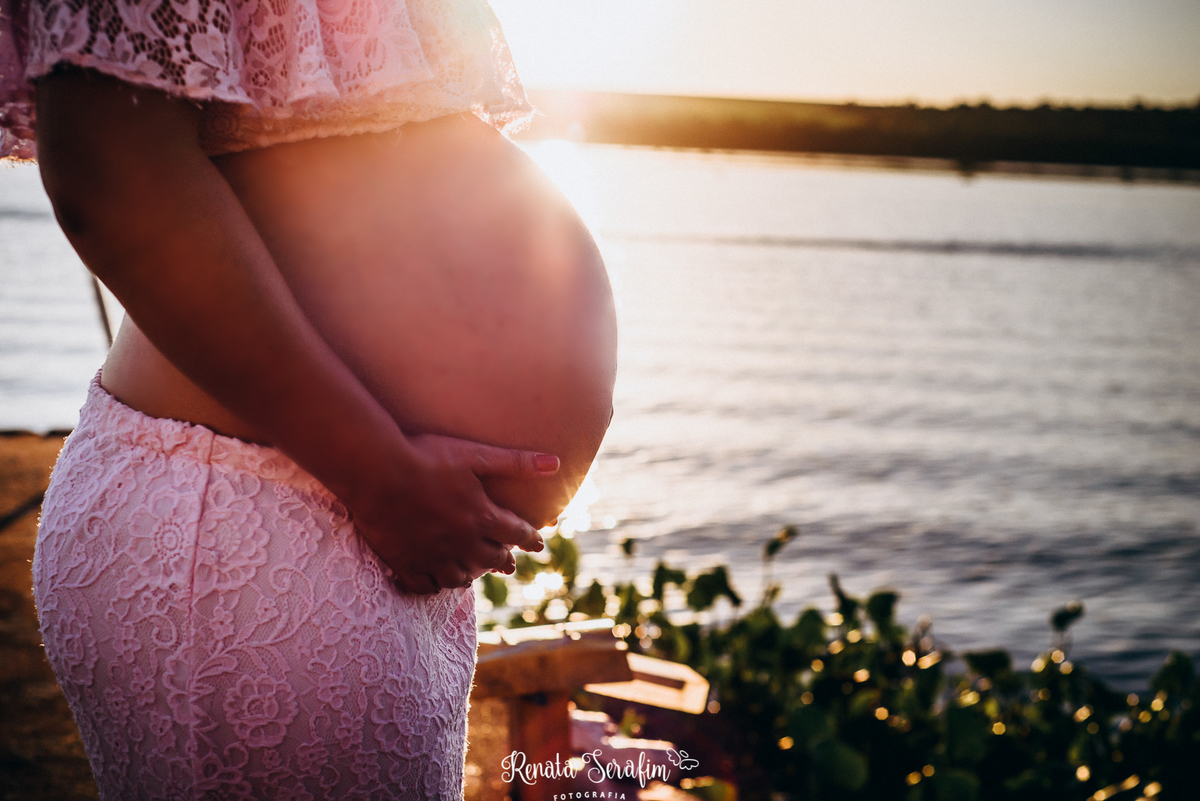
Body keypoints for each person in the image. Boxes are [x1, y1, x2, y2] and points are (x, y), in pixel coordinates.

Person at [0, 0, 618, 798]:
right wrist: (377, 472)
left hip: (348, 514)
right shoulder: (360, 483)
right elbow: (108, 167)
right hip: (254, 521)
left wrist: (387, 478)